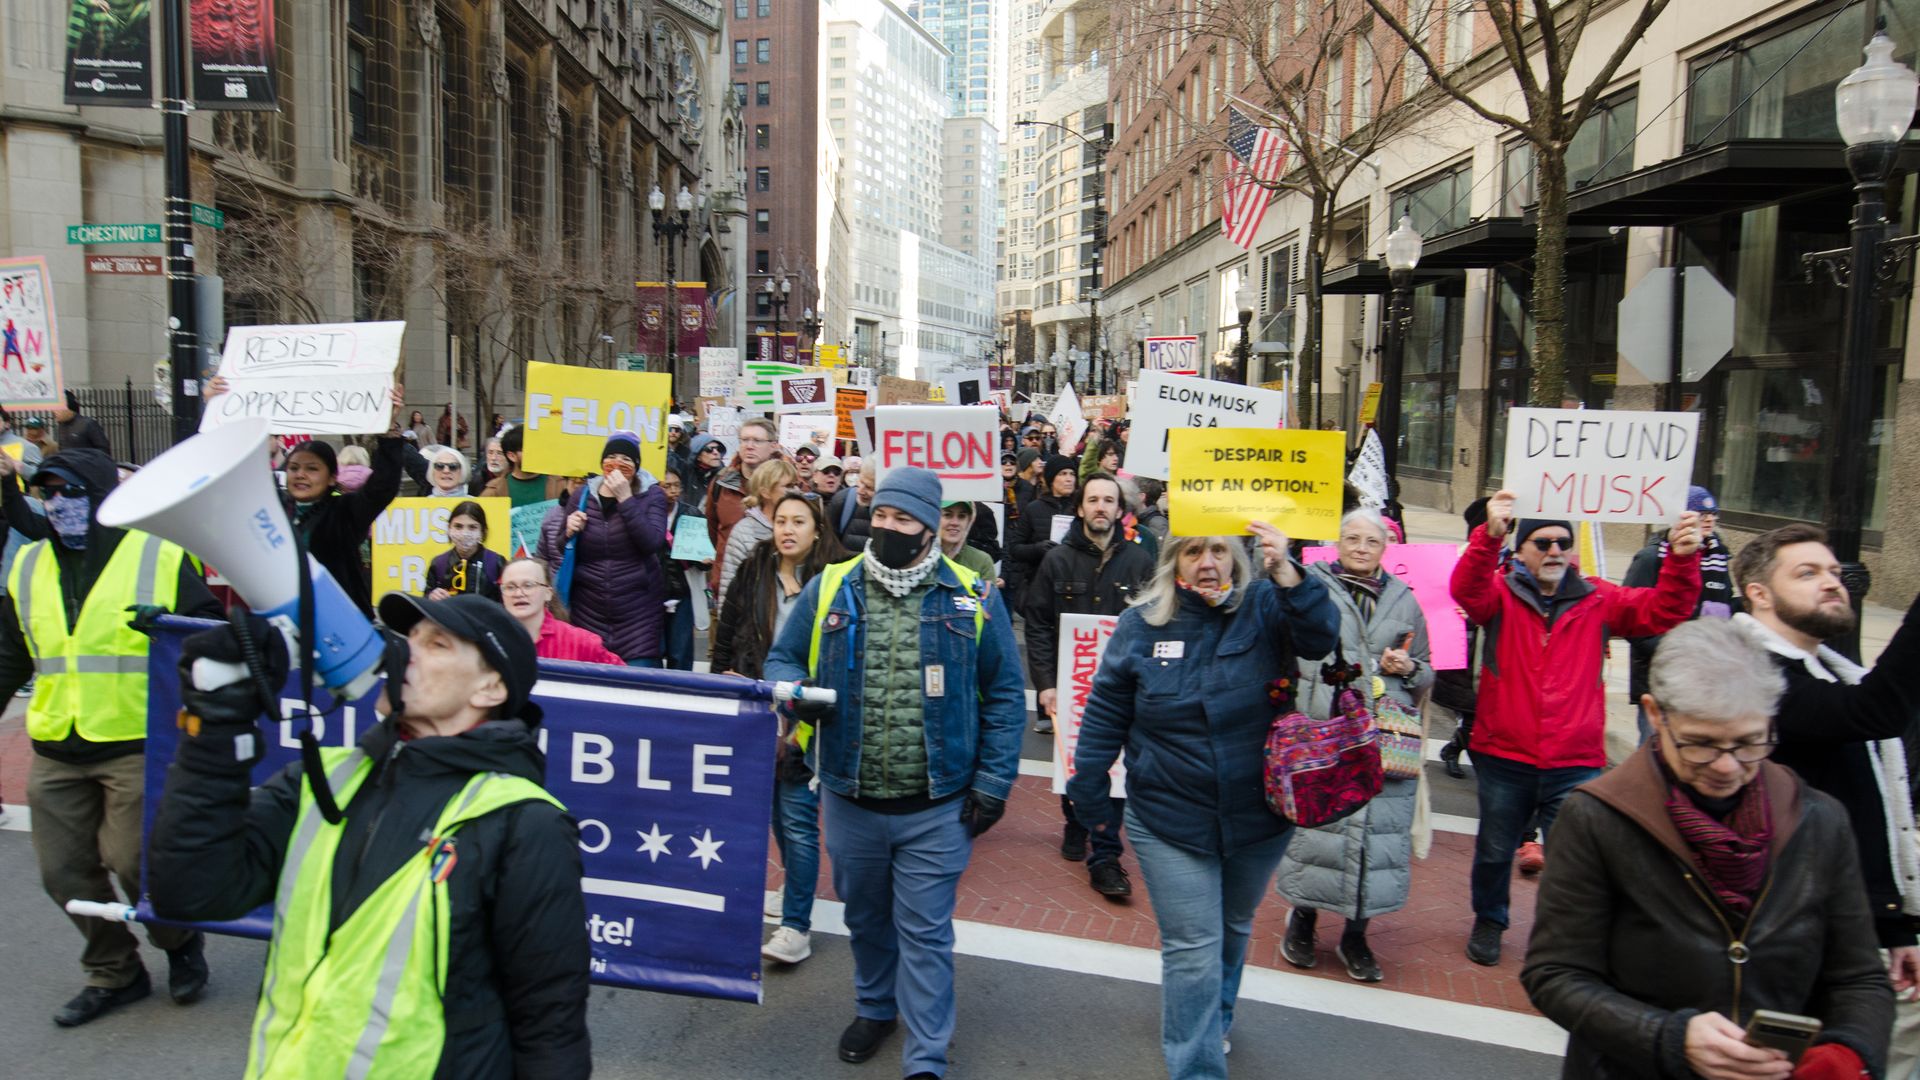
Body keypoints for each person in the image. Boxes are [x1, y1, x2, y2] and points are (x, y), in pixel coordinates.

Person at [149, 592, 592, 1076]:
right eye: (409, 638)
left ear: (489, 688)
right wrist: (215, 726)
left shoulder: (524, 822)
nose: (403, 652)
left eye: (438, 645)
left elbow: (550, 1020)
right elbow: (190, 893)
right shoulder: (325, 780)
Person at [1522, 620, 1893, 1080]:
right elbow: (1555, 975)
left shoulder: (1820, 818)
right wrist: (1668, 1038)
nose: (1726, 765)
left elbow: (1859, 977)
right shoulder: (1597, 817)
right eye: (1700, 743)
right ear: (1656, 715)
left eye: (1749, 742)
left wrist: (1848, 1051)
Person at [764, 467, 1025, 1080]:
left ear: (930, 530)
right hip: (849, 798)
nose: (887, 528)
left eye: (903, 520)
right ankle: (875, 1007)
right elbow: (781, 658)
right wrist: (794, 692)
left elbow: (1006, 695)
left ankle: (927, 1058)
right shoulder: (831, 587)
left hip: (937, 807)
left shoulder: (974, 595)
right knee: (866, 916)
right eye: (881, 515)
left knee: (927, 933)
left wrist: (992, 784)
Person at [1071, 523, 1338, 1079]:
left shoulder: (1266, 604)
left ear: (1236, 556)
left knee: (1234, 926)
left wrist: (1288, 570)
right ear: (1174, 560)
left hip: (1258, 816)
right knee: (1194, 946)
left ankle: (1213, 1018)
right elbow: (1105, 711)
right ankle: (1195, 1067)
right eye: (1193, 550)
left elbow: (1319, 637)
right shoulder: (1141, 624)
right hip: (1168, 815)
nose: (1207, 561)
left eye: (1218, 549)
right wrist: (1089, 787)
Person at [0, 448, 223, 1026]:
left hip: (135, 744)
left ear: (100, 498)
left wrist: (170, 631)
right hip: (56, 745)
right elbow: (9, 654)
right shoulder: (27, 567)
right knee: (64, 873)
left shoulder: (158, 556)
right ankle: (114, 972)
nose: (58, 505)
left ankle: (178, 944)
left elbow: (208, 637)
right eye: (48, 493)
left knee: (135, 864)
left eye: (70, 492)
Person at [1448, 491, 1703, 967]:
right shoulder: (1499, 594)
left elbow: (1665, 610)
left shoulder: (1598, 598)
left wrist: (1682, 561)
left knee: (1575, 860)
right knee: (1495, 851)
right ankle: (1490, 920)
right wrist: (1488, 536)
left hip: (1575, 760)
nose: (1553, 551)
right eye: (1541, 542)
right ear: (1521, 550)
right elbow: (1464, 589)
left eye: (1562, 542)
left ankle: (1564, 936)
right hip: (1505, 756)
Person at [1731, 523, 1920, 1074]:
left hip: (1845, 924)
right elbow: (1871, 714)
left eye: (1835, 572)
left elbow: (1867, 809)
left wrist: (1895, 928)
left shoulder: (1827, 672)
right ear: (1759, 593)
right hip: (1782, 933)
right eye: (1807, 573)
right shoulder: (1752, 674)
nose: (1832, 583)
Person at [1277, 509, 1435, 983]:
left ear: (1386, 548)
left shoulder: (1406, 601)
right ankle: (1303, 920)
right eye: (1352, 538)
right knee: (1317, 830)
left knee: (1374, 836)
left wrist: (1408, 668)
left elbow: (1428, 670)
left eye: (1371, 540)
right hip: (1325, 728)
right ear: (1338, 542)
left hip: (1383, 739)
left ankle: (1356, 934)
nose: (1362, 547)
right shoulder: (1312, 585)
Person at [712, 491, 849, 966]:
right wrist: (720, 684)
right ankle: (795, 884)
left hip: (807, 713)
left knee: (797, 816)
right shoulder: (754, 569)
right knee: (773, 810)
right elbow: (727, 630)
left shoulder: (837, 578)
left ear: (818, 529)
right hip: (757, 707)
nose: (787, 529)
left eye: (798, 521)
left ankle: (796, 926)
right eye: (780, 521)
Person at [1023, 472, 1156, 896]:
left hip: (1121, 688)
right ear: (1080, 508)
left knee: (1113, 768)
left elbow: (1155, 622)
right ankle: (1075, 821)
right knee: (1073, 760)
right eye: (1093, 499)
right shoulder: (1057, 561)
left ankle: (1106, 855)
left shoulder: (1140, 562)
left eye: (1109, 500)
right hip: (1071, 684)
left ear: (1121, 510)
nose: (1101, 507)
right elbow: (1039, 625)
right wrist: (1045, 683)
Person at [539, 433, 671, 666]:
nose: (617, 464)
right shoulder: (582, 494)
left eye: (625, 459)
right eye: (611, 457)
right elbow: (561, 546)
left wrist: (626, 499)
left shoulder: (652, 495)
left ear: (637, 466)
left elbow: (652, 542)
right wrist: (568, 531)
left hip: (637, 614)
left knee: (636, 688)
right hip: (588, 610)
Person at [1624, 486, 1740, 739]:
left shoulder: (1718, 557)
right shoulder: (1651, 558)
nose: (1708, 519)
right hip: (1662, 677)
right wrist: (1676, 652)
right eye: (1700, 513)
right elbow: (1633, 618)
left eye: (1712, 513)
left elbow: (1726, 603)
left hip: (1708, 675)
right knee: (1655, 751)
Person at [716, 458, 803, 617]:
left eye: (796, 485)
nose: (796, 491)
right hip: (753, 625)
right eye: (788, 486)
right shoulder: (744, 531)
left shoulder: (804, 528)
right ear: (766, 492)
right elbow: (728, 589)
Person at [499, 556, 624, 664]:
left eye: (528, 585)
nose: (519, 593)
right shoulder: (489, 641)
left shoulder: (581, 643)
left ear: (548, 593)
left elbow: (626, 681)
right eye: (510, 587)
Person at [707, 416, 782, 587]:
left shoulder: (785, 485)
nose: (749, 446)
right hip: (728, 580)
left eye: (757, 440)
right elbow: (713, 529)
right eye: (745, 440)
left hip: (770, 582)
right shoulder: (721, 482)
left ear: (773, 445)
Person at [1005, 455, 1077, 604]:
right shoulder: (1034, 508)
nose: (1069, 479)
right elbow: (1015, 548)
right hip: (1040, 587)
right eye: (1063, 474)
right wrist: (1037, 548)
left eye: (1072, 474)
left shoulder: (1081, 508)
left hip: (1074, 587)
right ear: (1051, 479)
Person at [426, 500, 505, 601]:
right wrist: (431, 596)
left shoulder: (496, 563)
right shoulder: (438, 564)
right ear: (449, 528)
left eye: (472, 527)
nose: (465, 533)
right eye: (458, 526)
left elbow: (506, 603)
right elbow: (426, 599)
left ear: (483, 531)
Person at [658, 470, 697, 671]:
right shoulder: (646, 514)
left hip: (682, 591)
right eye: (667, 486)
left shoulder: (692, 515)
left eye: (677, 485)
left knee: (680, 654)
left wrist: (703, 559)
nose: (673, 491)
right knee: (652, 652)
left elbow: (702, 557)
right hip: (651, 593)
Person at [481, 424, 570, 507]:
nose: (536, 454)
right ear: (512, 456)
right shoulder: (494, 491)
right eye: (529, 450)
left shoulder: (560, 485)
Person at [936, 498, 996, 581]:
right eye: (948, 515)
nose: (955, 523)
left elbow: (989, 593)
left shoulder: (982, 562)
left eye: (962, 516)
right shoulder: (920, 557)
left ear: (969, 521)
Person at [829, 457, 876, 551]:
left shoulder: (895, 512)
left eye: (870, 488)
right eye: (861, 481)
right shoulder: (843, 500)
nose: (860, 490)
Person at [678, 433, 726, 515]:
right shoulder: (684, 473)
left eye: (719, 449)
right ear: (698, 455)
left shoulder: (725, 476)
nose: (716, 452)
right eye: (709, 449)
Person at [53, 390, 110, 455]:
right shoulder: (61, 426)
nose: (54, 412)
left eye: (58, 409)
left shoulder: (88, 424)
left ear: (69, 409)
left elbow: (104, 449)